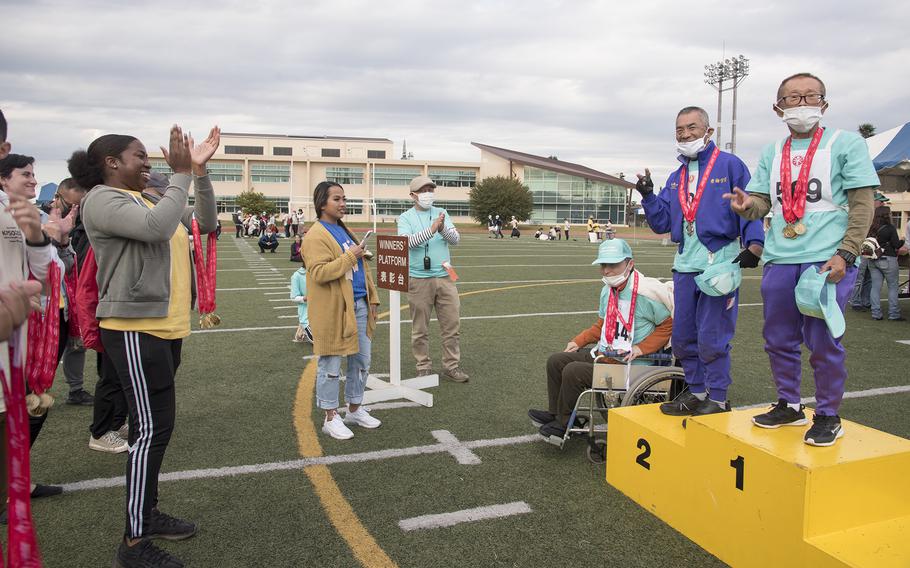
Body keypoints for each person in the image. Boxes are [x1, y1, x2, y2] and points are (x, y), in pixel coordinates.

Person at [75, 124, 220, 566]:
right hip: (134, 327)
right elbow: (157, 230)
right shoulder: (102, 199)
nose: (149, 163)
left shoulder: (150, 197)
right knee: (150, 432)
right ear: (111, 163)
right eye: (140, 156)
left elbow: (208, 224)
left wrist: (198, 173)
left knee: (155, 429)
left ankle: (148, 513)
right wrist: (178, 172)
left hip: (165, 327)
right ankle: (134, 542)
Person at [726, 72, 879, 446]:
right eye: (793, 97)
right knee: (777, 338)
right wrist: (748, 206)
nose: (802, 103)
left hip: (826, 261)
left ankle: (828, 414)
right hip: (781, 257)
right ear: (778, 107)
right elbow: (763, 202)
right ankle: (790, 404)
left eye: (811, 96)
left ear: (824, 104)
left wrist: (847, 252)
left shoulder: (846, 144)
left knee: (823, 341)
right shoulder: (771, 151)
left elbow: (862, 205)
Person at [637, 105, 764, 417]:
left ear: (709, 131)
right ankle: (696, 393)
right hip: (684, 266)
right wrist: (649, 196)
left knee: (712, 338)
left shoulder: (730, 165)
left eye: (691, 127)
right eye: (680, 130)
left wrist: (755, 243)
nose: (685, 134)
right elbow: (663, 223)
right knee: (681, 339)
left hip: (719, 264)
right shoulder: (676, 176)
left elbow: (747, 204)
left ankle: (718, 399)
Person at [528, 239, 673, 441]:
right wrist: (579, 341)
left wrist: (641, 348)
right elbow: (602, 325)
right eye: (603, 265)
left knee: (573, 371)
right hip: (606, 354)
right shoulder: (608, 290)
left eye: (613, 265)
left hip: (633, 364)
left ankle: (563, 424)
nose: (606, 270)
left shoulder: (646, 293)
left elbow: (668, 325)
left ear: (629, 264)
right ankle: (556, 414)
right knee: (556, 361)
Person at [302, 181, 381, 439]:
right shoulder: (315, 235)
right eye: (337, 199)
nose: (343, 203)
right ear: (321, 203)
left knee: (361, 361)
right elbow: (319, 272)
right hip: (333, 309)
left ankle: (355, 409)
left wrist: (373, 299)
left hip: (358, 304)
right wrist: (351, 256)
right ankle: (330, 416)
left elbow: (361, 269)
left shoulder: (343, 230)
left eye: (344, 198)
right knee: (331, 362)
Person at [398, 176, 469, 382]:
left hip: (446, 277)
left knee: (452, 326)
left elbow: (455, 239)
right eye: (423, 190)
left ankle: (451, 366)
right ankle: (423, 367)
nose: (428, 193)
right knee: (420, 328)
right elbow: (406, 243)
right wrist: (431, 230)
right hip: (419, 279)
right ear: (413, 195)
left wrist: (443, 228)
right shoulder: (405, 218)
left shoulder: (442, 213)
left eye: (431, 189)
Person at [868, 207, 905, 321]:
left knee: (875, 287)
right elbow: (896, 244)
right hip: (888, 259)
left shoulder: (871, 228)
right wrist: (903, 240)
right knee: (893, 287)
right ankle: (893, 314)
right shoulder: (890, 228)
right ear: (887, 215)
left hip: (873, 259)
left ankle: (876, 313)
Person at [290, 259, 312, 343]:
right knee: (321, 342)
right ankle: (303, 327)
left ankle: (302, 329)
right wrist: (305, 298)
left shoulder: (321, 272)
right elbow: (294, 297)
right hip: (307, 314)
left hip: (322, 312)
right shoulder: (297, 275)